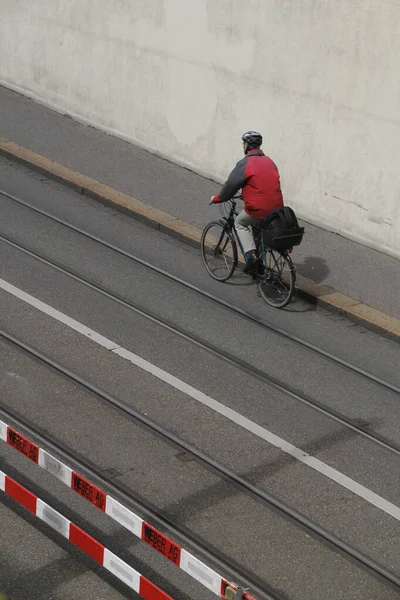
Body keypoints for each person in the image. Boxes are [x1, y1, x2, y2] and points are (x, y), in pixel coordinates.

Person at [211, 131, 284, 273]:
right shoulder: (270, 161)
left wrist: (217, 198)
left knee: (240, 223)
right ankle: (259, 269)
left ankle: (251, 256)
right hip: (276, 209)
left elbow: (231, 185)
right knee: (257, 230)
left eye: (243, 144)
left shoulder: (246, 163)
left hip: (258, 208)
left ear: (246, 146)